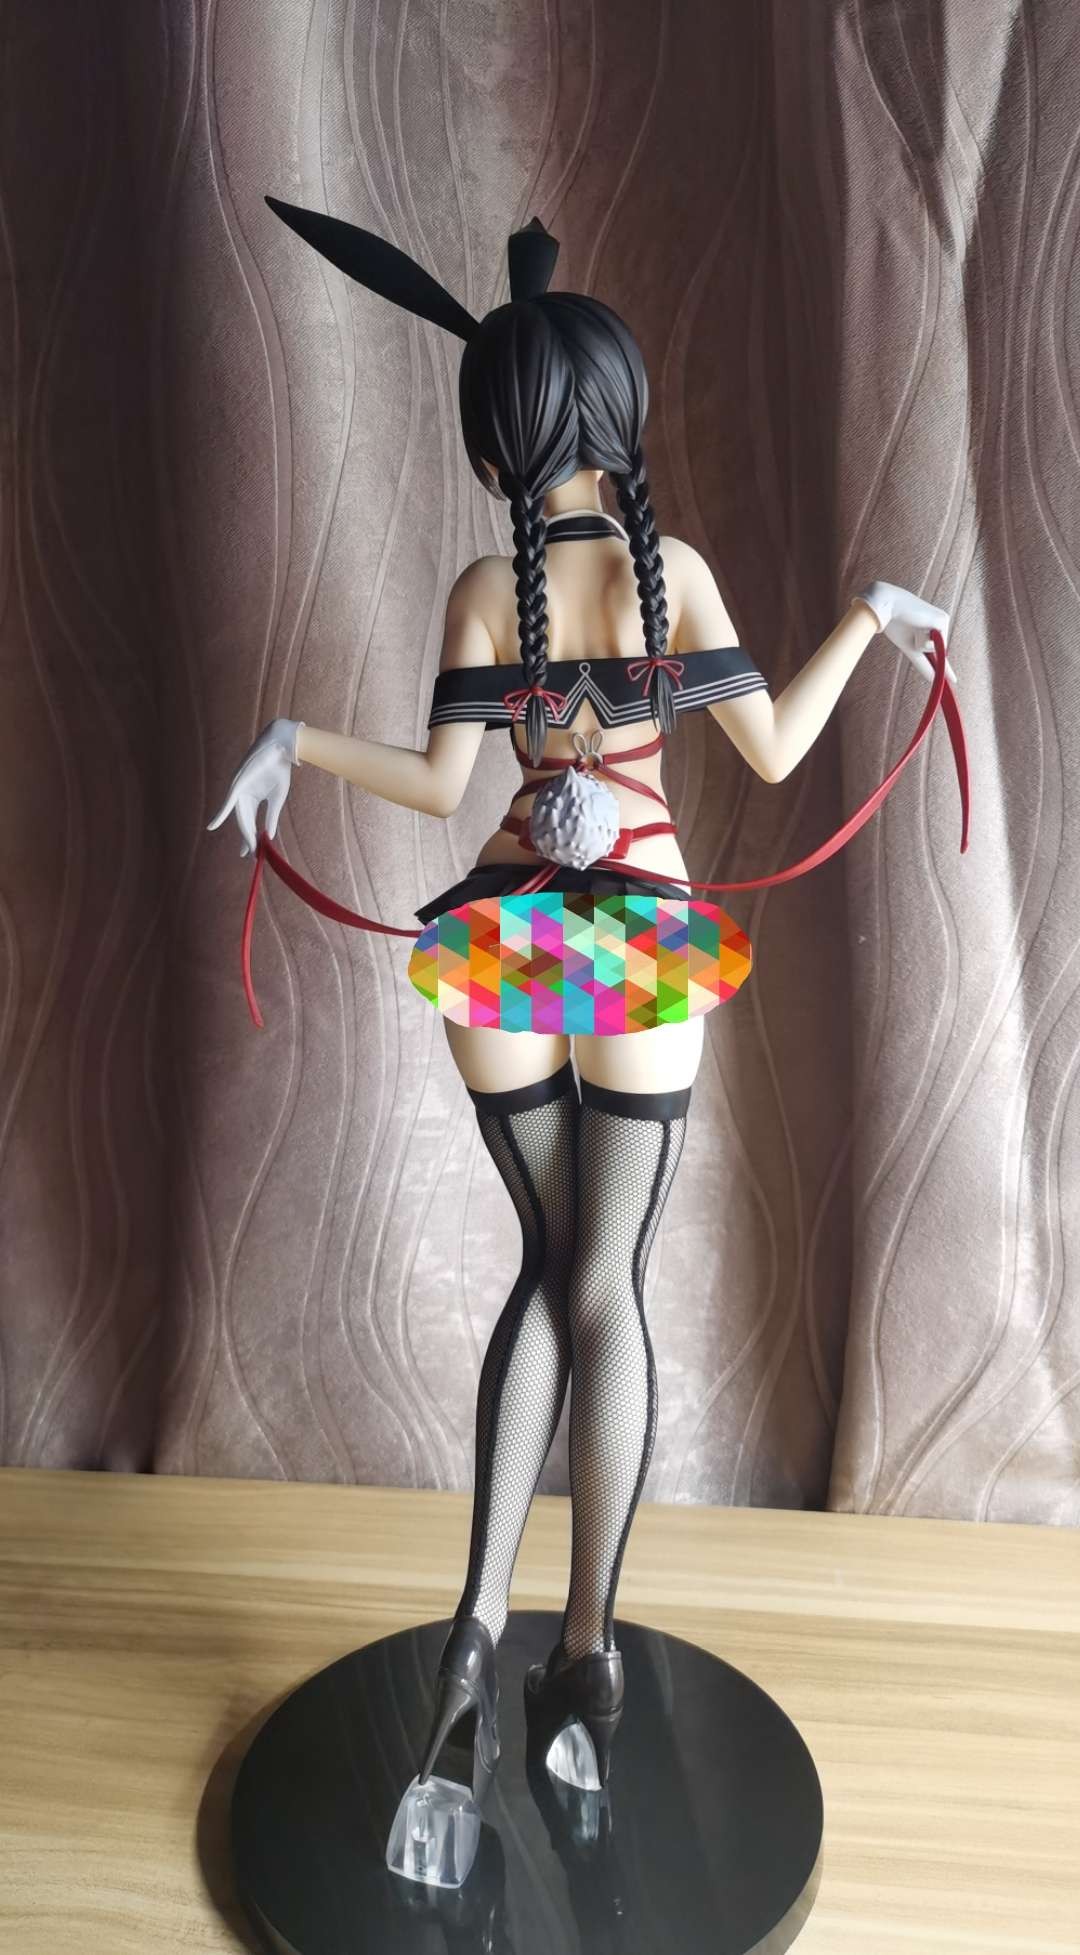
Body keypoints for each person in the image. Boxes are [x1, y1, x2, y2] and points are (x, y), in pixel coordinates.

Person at [208, 206, 959, 1805]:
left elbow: (437, 789)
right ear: (614, 417)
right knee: (602, 1281)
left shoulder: (489, 587)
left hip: (504, 937)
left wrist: (289, 742)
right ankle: (586, 1652)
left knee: (546, 1266)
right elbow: (774, 754)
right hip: (635, 943)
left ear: (493, 438)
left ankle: (472, 1633)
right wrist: (870, 618)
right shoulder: (672, 578)